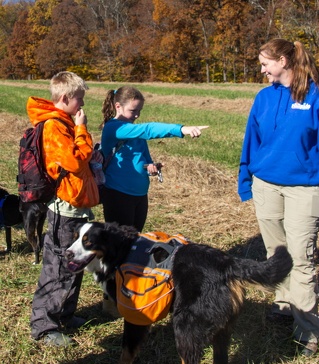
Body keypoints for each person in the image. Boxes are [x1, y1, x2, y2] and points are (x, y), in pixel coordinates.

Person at [238, 38, 319, 357]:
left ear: (284, 61)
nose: (261, 70)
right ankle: (284, 305)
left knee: (301, 258)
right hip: (266, 186)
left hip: (306, 188)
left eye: (265, 63)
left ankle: (308, 329)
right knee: (277, 252)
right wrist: (247, 179)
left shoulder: (315, 95)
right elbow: (251, 141)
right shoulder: (263, 98)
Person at [29, 71, 100, 346]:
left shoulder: (64, 122)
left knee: (74, 262)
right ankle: (44, 326)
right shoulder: (54, 126)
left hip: (76, 205)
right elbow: (75, 162)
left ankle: (65, 314)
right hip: (64, 208)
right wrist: (82, 129)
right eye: (79, 98)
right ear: (64, 97)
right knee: (57, 266)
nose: (82, 104)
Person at [99, 86, 208, 232]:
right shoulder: (114, 128)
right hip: (118, 195)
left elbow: (144, 157)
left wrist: (150, 167)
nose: (137, 115)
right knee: (119, 244)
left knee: (134, 240)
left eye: (139, 111)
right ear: (118, 106)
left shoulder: (133, 131)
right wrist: (181, 129)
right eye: (133, 110)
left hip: (140, 194)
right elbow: (148, 129)